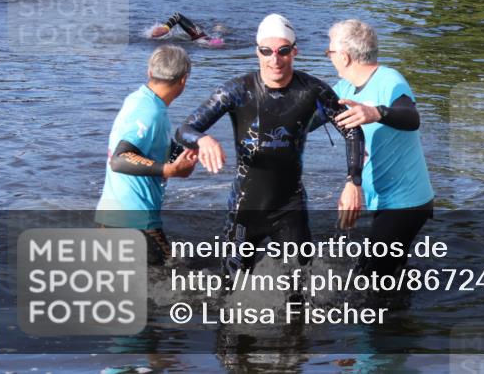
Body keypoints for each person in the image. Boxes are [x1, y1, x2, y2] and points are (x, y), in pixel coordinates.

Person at [175, 14, 366, 273]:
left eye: (283, 51)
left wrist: (353, 182)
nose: (274, 60)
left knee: (299, 289)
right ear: (257, 52)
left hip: (290, 206)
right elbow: (184, 129)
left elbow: (352, 130)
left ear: (294, 51)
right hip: (245, 206)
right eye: (266, 51)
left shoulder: (312, 90)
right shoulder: (236, 90)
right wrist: (203, 139)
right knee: (231, 291)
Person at [326, 19, 434, 276]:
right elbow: (306, 119)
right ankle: (402, 311)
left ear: (344, 56)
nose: (328, 57)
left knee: (369, 279)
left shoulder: (389, 80)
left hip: (407, 203)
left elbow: (411, 118)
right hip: (383, 200)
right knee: (387, 276)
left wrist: (376, 113)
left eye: (329, 52)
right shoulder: (345, 88)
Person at [96, 46, 199, 265]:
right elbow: (120, 158)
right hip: (135, 220)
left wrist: (186, 152)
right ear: (184, 80)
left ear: (150, 73)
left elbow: (152, 143)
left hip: (112, 215)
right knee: (173, 279)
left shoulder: (141, 100)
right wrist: (168, 170)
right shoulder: (149, 112)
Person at [148, 12, 223, 47]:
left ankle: (219, 28)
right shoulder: (198, 35)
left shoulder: (200, 39)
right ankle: (219, 28)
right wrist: (166, 28)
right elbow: (178, 16)